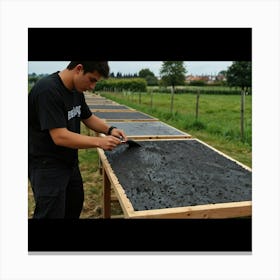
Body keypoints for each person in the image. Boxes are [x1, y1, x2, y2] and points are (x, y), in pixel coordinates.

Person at [28, 61, 127, 219]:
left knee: (74, 205)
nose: (92, 87)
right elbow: (60, 136)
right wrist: (99, 142)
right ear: (79, 69)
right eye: (92, 79)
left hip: (69, 163)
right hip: (47, 166)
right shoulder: (48, 90)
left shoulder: (76, 90)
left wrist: (110, 130)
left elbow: (87, 117)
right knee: (51, 213)